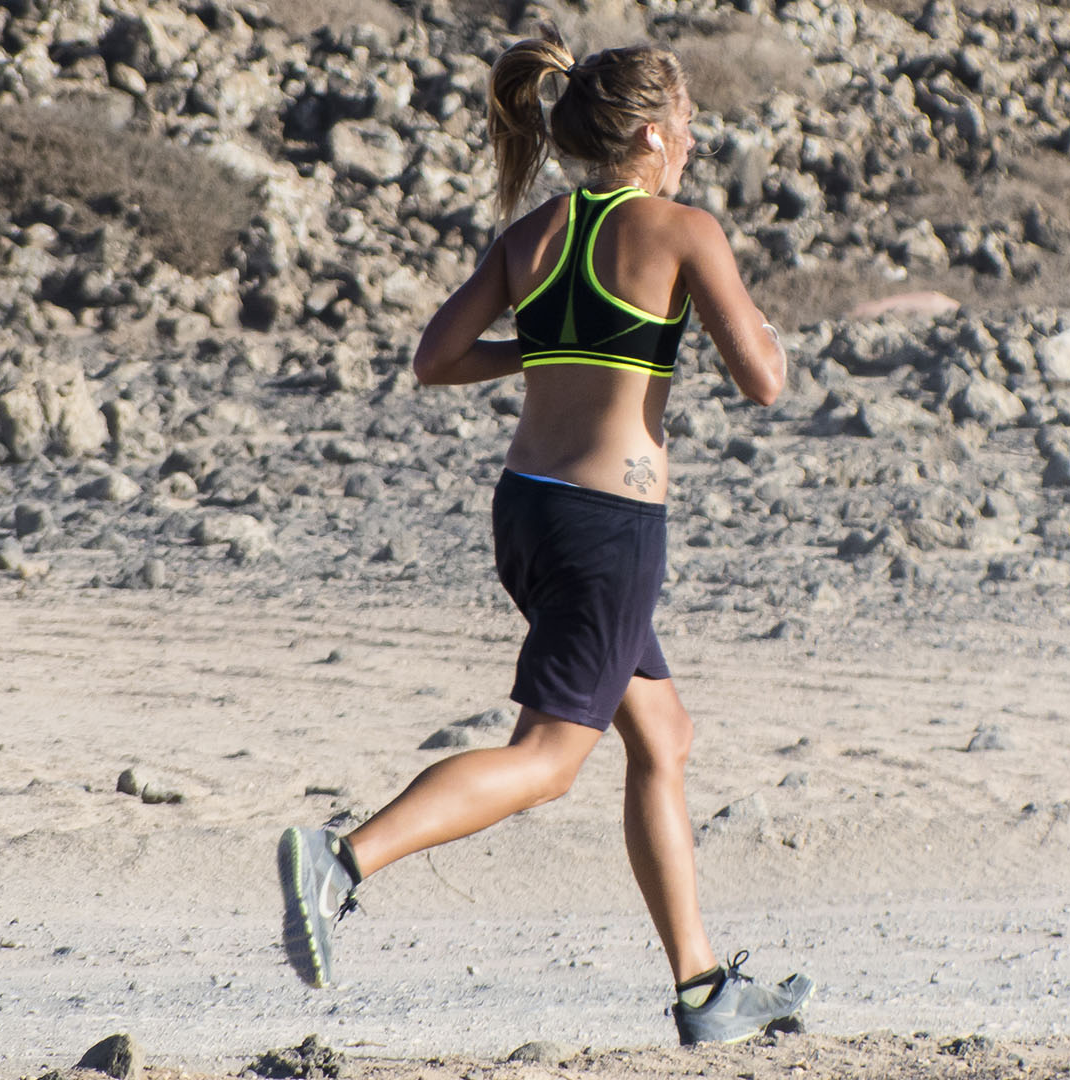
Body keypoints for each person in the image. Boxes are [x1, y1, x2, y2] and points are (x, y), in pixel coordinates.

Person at [278, 28, 808, 1047]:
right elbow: (764, 382)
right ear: (654, 133)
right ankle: (339, 861)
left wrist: (552, 347)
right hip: (609, 530)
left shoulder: (534, 234)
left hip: (526, 511)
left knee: (663, 734)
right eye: (687, 123)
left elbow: (437, 359)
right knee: (551, 757)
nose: (692, 140)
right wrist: (760, 332)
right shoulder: (683, 229)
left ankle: (704, 988)